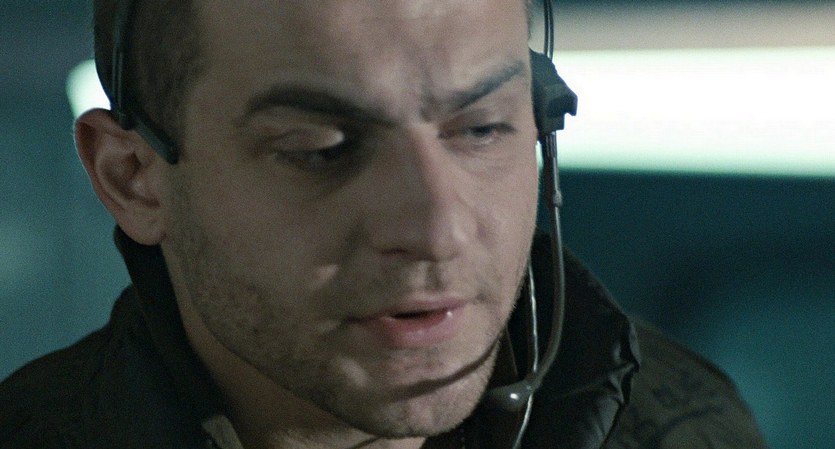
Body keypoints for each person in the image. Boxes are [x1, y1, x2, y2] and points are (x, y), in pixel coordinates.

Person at [0, 1, 769, 448]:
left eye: (483, 128)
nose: (436, 230)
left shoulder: (681, 427)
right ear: (132, 179)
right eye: (319, 149)